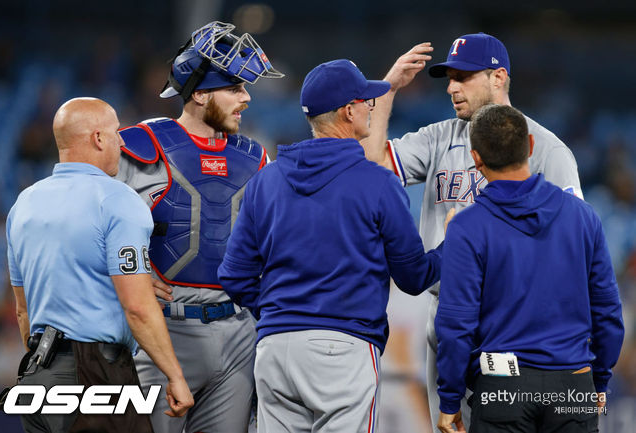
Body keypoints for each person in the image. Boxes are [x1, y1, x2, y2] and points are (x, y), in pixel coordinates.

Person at [360, 32, 584, 431]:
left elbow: (573, 250)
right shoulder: (439, 137)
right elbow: (372, 167)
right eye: (450, 77)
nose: (451, 88)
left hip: (512, 320)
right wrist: (388, 89)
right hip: (445, 315)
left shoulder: (548, 150)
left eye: (464, 77)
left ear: (498, 77)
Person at [218, 59, 447, 433]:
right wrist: (454, 245)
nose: (370, 106)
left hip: (275, 347)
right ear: (348, 111)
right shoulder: (377, 182)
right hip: (342, 348)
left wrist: (282, 311)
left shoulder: (267, 180)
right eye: (365, 101)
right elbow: (413, 276)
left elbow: (234, 275)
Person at [115, 21, 283, 433]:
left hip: (240, 330)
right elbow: (87, 223)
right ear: (200, 93)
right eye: (235, 88)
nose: (246, 98)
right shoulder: (141, 145)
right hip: (166, 329)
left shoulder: (255, 156)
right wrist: (122, 268)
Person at [6, 97, 194, 433]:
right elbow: (137, 307)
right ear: (98, 138)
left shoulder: (24, 202)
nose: (122, 141)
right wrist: (175, 375)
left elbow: (24, 312)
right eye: (116, 132)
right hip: (96, 374)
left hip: (37, 374)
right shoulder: (118, 199)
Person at [435, 104, 624, 433]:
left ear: (476, 158)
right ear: (531, 147)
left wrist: (450, 400)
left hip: (501, 385)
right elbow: (608, 313)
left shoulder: (467, 227)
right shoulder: (583, 217)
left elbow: (455, 325)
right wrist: (599, 381)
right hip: (572, 383)